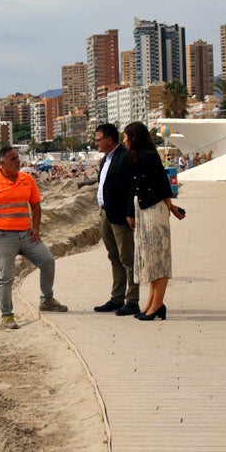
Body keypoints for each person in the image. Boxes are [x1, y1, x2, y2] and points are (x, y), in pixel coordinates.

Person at [0, 145, 67, 328]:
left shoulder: (26, 179)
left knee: (47, 261)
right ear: (2, 163)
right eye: (12, 159)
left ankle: (47, 299)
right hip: (3, 237)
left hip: (26, 234)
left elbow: (36, 206)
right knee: (6, 277)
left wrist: (35, 229)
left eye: (17, 157)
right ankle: (7, 316)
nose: (17, 161)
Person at [124, 120, 185, 320]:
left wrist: (172, 208)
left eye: (126, 137)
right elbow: (133, 188)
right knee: (150, 259)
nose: (124, 141)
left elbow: (163, 186)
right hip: (143, 211)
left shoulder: (150, 157)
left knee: (159, 258)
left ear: (134, 138)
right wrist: (131, 214)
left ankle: (157, 305)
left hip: (155, 211)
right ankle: (152, 303)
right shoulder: (134, 157)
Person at [90, 122, 140, 317]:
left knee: (127, 257)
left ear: (109, 140)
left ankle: (132, 300)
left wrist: (130, 213)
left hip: (119, 214)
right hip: (105, 212)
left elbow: (130, 188)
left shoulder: (124, 156)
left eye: (98, 139)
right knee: (114, 257)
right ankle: (116, 298)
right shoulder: (105, 160)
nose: (96, 143)